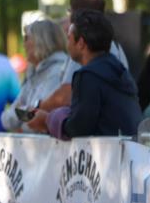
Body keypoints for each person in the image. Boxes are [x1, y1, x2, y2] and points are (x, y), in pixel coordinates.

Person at [35, 10, 142, 140]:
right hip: (128, 148)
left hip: (107, 151)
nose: (67, 45)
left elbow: (78, 128)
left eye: (69, 38)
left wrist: (48, 120)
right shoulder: (120, 70)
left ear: (80, 43)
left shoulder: (88, 76)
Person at [4, 19, 69, 133]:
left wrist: (22, 124)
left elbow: (35, 120)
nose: (23, 44)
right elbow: (8, 120)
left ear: (41, 40)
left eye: (26, 38)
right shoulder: (33, 73)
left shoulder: (58, 71)